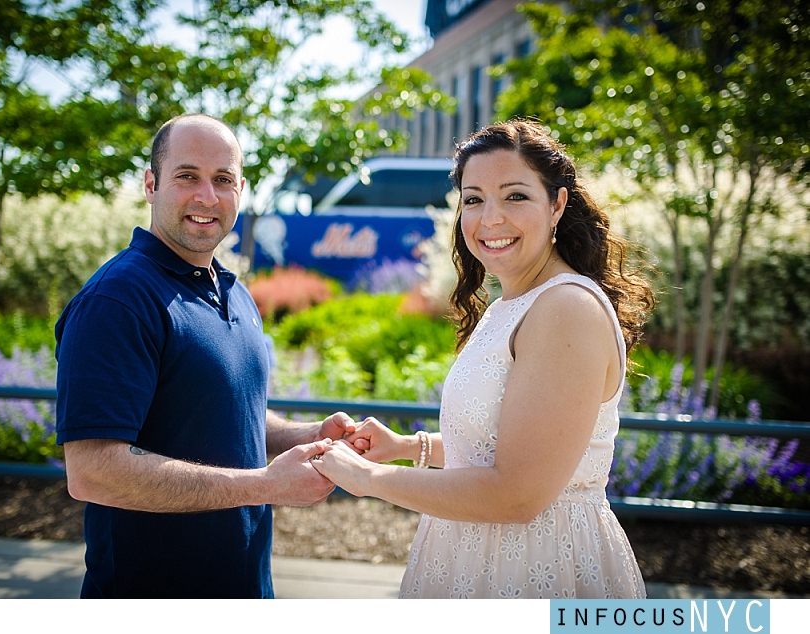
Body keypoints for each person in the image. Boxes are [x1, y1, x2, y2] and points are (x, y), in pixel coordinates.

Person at [311, 119, 654, 599]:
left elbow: (517, 494)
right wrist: (412, 448)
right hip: (469, 555)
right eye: (473, 199)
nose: (490, 218)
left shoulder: (566, 309)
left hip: (539, 566)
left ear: (557, 204)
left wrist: (369, 479)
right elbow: (507, 445)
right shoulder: (510, 306)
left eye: (515, 196)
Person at [55, 113, 354, 598]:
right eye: (187, 176)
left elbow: (226, 414)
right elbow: (93, 473)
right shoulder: (117, 300)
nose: (207, 197)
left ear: (242, 189)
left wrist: (308, 434)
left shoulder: (230, 289)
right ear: (151, 184)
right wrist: (268, 485)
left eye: (223, 180)